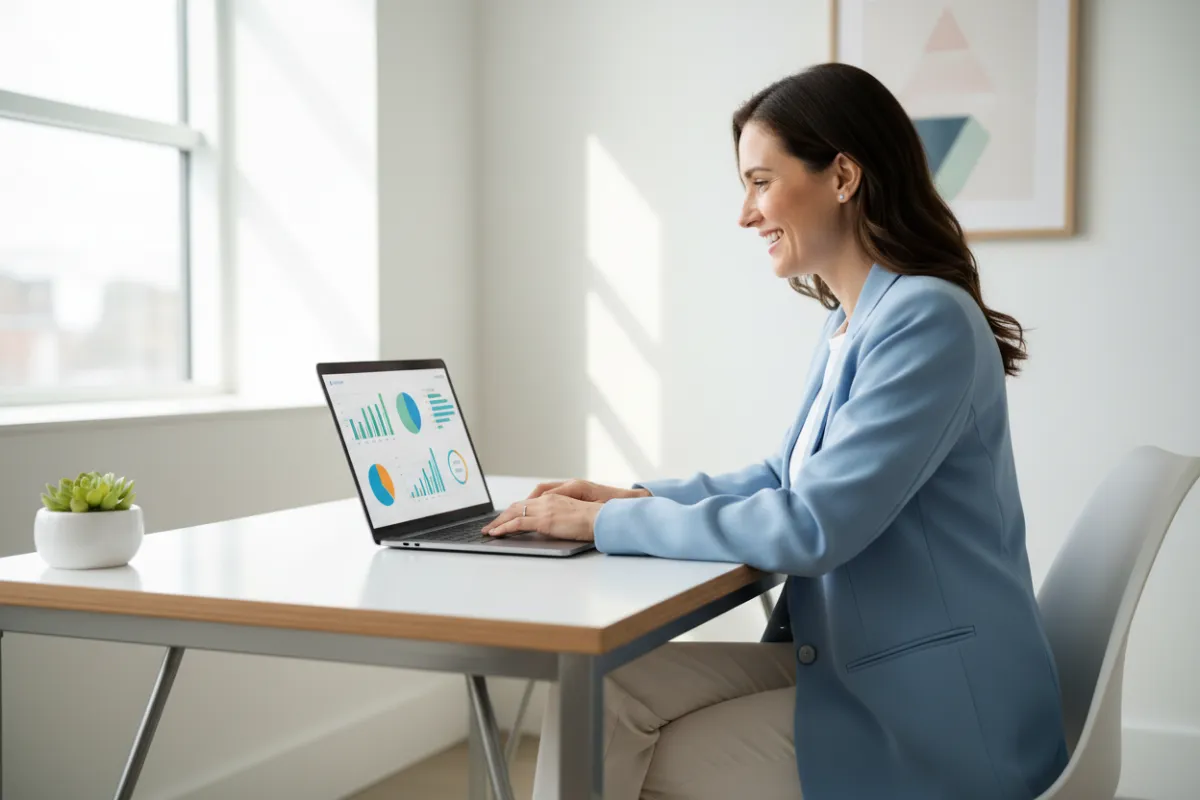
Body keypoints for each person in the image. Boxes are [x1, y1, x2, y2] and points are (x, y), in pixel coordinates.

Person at [483, 63, 1069, 800]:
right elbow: (783, 479)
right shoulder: (853, 321)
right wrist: (627, 495)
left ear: (843, 175)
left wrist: (608, 524)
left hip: (934, 706)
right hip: (870, 658)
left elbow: (812, 525)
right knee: (603, 695)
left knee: (598, 747)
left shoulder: (925, 320)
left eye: (761, 182)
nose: (745, 213)